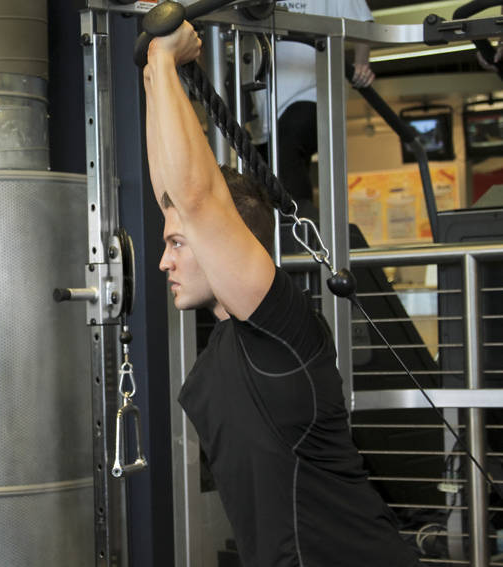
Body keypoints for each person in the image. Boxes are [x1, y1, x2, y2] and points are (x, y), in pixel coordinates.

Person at [143, 20, 421, 567]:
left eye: (177, 244)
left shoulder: (281, 329)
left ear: (232, 243)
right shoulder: (233, 332)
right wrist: (157, 77)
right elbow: (177, 196)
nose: (163, 260)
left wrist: (162, 57)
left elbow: (197, 203)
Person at [251, 0, 375, 216]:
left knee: (287, 143)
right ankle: (277, 233)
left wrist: (361, 63)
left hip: (314, 92)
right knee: (266, 175)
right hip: (265, 103)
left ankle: (300, 224)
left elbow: (362, 22)